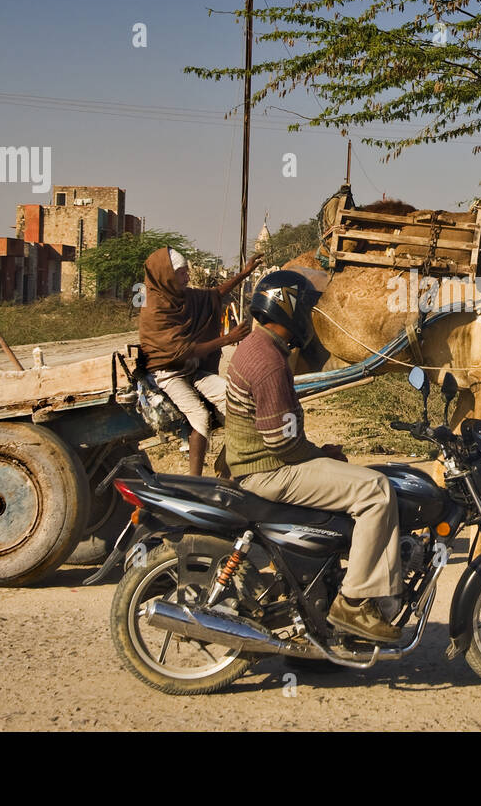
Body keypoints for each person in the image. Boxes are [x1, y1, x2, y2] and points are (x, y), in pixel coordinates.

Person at [220, 271, 403, 642]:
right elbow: (282, 443)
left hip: (261, 463)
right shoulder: (269, 361)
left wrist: (322, 455)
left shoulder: (260, 347)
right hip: (269, 470)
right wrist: (323, 457)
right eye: (305, 308)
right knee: (377, 490)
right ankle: (354, 603)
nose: (309, 316)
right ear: (286, 308)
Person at [138, 246, 263, 476]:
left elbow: (214, 294)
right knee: (200, 416)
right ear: (166, 275)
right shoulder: (154, 308)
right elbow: (181, 351)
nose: (187, 277)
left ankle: (228, 466)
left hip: (192, 371)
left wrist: (245, 273)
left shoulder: (181, 296)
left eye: (187, 272)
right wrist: (227, 339)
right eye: (182, 273)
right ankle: (194, 478)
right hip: (170, 374)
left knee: (237, 400)